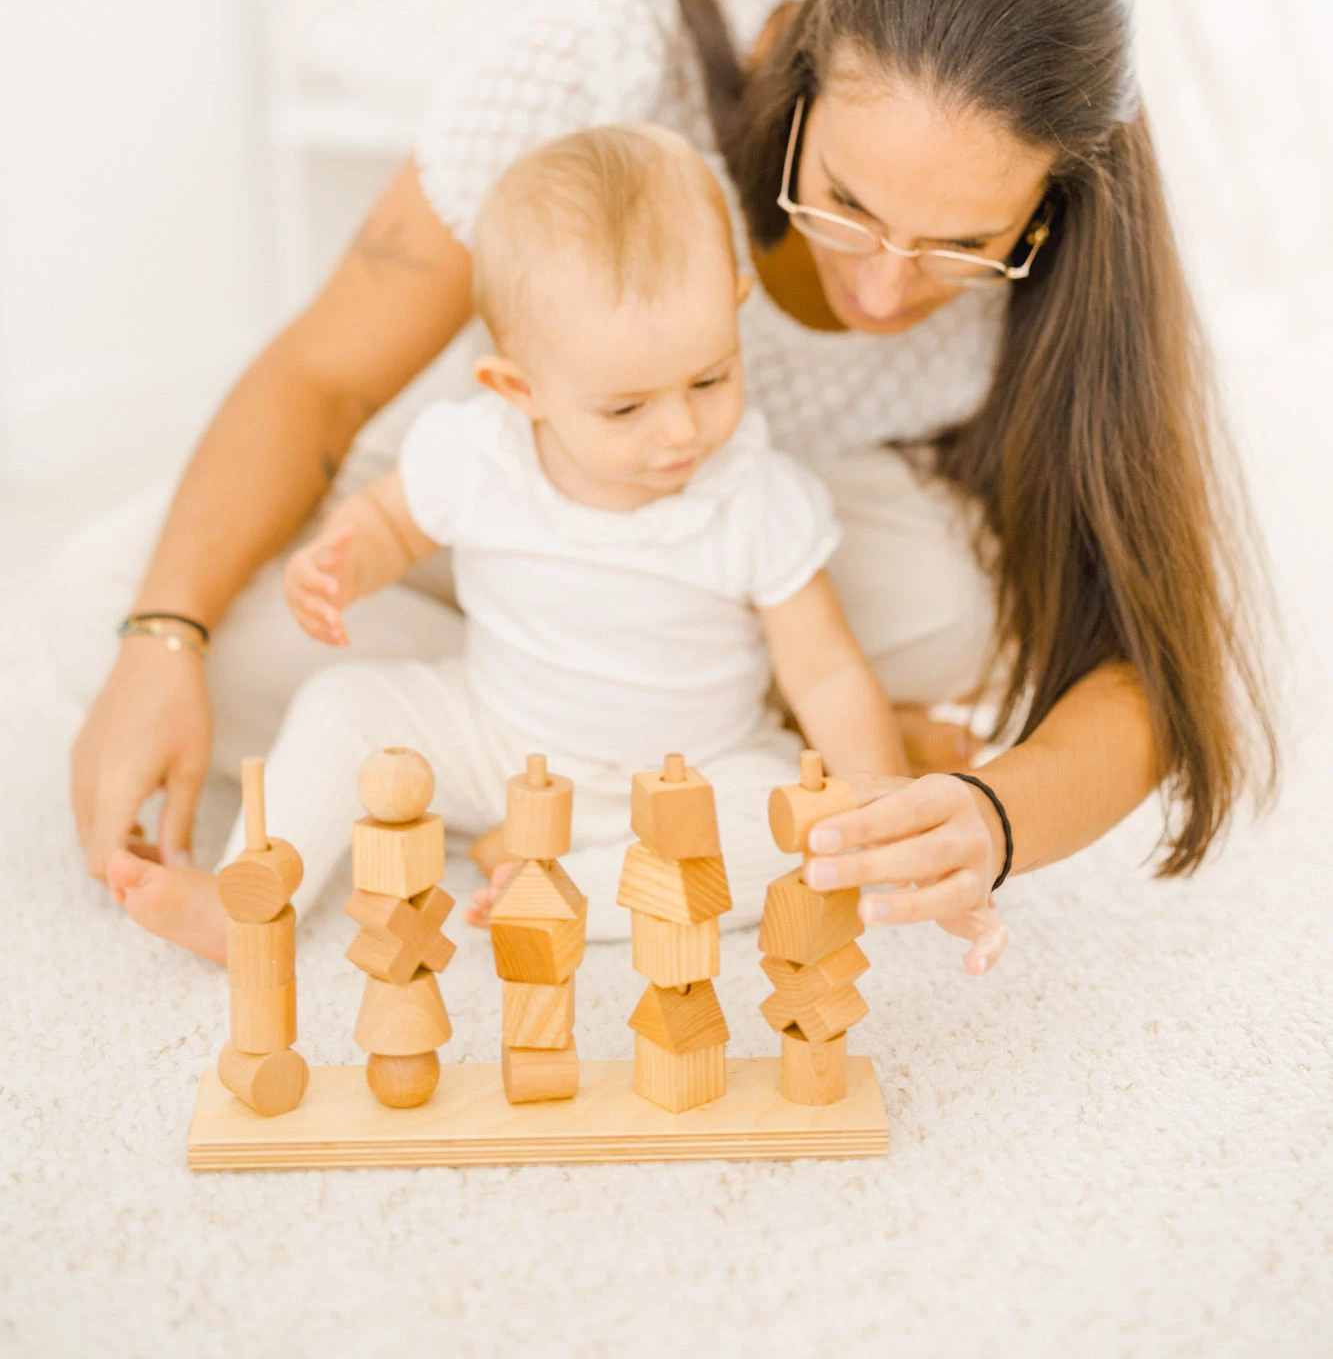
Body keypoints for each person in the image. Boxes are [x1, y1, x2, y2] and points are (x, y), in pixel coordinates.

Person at [62, 0, 1274, 957]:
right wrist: (164, 633)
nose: (881, 285)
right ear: (788, 71)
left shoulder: (1072, 254)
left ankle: (615, 815)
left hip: (764, 561)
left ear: (1050, 206)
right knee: (103, 604)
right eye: (845, 202)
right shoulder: (607, 52)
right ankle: (543, 788)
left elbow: (1151, 665)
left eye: (962, 246)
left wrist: (988, 818)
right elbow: (322, 376)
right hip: (513, 498)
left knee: (954, 607)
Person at [107, 124, 976, 957]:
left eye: (710, 378)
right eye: (626, 407)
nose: (680, 431)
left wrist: (871, 807)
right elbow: (389, 521)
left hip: (692, 777)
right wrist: (341, 559)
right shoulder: (475, 451)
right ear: (517, 388)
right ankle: (253, 903)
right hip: (494, 743)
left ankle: (570, 890)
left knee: (800, 831)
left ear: (734, 311)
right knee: (342, 711)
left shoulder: (756, 496)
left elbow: (824, 672)